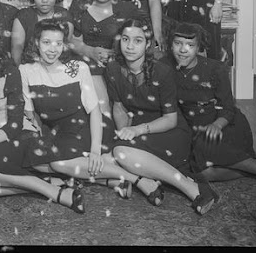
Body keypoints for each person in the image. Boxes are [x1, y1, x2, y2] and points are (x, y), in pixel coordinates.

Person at [19, 19, 164, 208]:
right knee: (33, 159)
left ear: (64, 45)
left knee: (58, 164)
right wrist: (38, 137)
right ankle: (105, 180)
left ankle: (136, 179)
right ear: (36, 43)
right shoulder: (26, 71)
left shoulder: (78, 67)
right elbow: (30, 114)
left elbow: (94, 110)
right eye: (46, 42)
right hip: (57, 131)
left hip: (88, 126)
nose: (52, 49)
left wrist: (95, 150)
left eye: (58, 43)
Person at [0, 19, 86, 213]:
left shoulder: (8, 71)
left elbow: (15, 123)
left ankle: (54, 192)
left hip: (17, 135)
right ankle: (42, 185)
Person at [166, 22, 256, 196]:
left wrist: (217, 125)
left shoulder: (215, 69)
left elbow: (228, 108)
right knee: (197, 174)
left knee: (204, 141)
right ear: (171, 44)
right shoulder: (165, 67)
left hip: (224, 125)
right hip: (191, 127)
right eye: (178, 43)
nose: (183, 50)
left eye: (190, 45)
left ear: (199, 48)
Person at [105, 18, 219, 215]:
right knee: (105, 157)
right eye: (125, 39)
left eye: (138, 40)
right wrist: (123, 135)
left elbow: (170, 119)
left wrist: (136, 131)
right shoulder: (113, 68)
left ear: (148, 43)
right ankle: (145, 181)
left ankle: (190, 188)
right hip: (139, 130)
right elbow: (119, 108)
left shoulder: (161, 71)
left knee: (121, 155)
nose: (130, 46)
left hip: (169, 132)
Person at [68, 0, 138, 117]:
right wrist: (90, 51)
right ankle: (104, 124)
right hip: (86, 60)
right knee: (101, 104)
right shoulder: (79, 6)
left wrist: (113, 56)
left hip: (117, 63)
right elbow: (70, 41)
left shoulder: (127, 9)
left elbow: (136, 42)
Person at [10, 0, 71, 66]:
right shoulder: (23, 16)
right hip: (29, 66)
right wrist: (21, 70)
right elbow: (17, 47)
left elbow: (63, 50)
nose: (44, 0)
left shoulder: (64, 16)